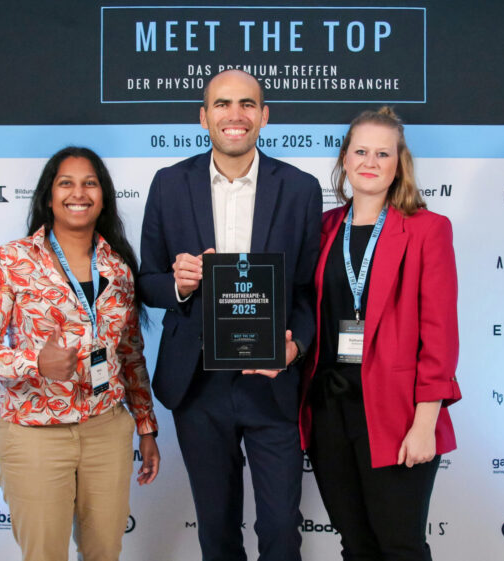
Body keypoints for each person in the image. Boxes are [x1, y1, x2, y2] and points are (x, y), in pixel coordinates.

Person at [139, 69, 322, 561]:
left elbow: (307, 291)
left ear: (264, 116)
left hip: (272, 383)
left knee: (281, 530)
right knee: (216, 531)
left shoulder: (300, 188)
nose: (234, 115)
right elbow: (147, 281)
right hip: (198, 384)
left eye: (247, 104)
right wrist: (178, 284)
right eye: (222, 104)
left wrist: (295, 347)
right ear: (204, 117)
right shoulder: (169, 183)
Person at [0, 146, 160, 561]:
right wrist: (34, 362)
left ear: (103, 197)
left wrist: (146, 427)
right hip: (35, 434)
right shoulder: (10, 261)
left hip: (107, 432)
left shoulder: (119, 267)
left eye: (90, 183)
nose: (78, 193)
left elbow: (130, 356)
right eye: (66, 183)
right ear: (48, 197)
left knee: (104, 553)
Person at [298, 107, 462, 561]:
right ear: (345, 159)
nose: (370, 162)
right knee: (356, 546)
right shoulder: (323, 228)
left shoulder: (428, 230)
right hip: (329, 410)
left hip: (397, 413)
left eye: (383, 154)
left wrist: (424, 425)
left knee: (400, 546)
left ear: (398, 163)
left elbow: (440, 336)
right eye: (361, 151)